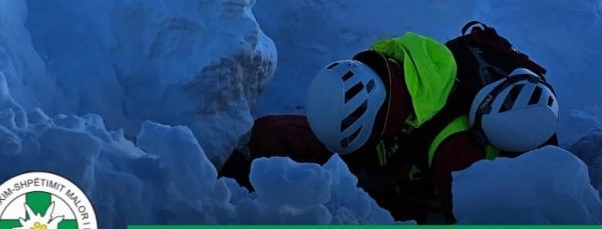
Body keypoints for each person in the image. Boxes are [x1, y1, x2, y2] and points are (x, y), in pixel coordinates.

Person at [219, 26, 559, 223]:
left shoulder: (453, 152)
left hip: (418, 177)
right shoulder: (389, 69)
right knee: (275, 133)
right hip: (390, 139)